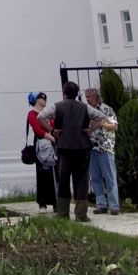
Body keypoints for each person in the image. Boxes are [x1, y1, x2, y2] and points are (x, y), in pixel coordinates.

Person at [51, 80, 92, 221]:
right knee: (81, 180)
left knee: (63, 180)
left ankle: (63, 213)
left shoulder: (58, 106)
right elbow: (102, 117)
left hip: (64, 147)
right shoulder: (85, 107)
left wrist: (53, 130)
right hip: (82, 147)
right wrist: (90, 129)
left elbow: (41, 116)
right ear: (77, 93)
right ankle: (81, 214)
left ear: (64, 93)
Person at [85, 87, 119, 214]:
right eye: (86, 97)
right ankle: (101, 204)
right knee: (95, 177)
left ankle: (114, 205)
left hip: (105, 147)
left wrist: (101, 124)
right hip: (92, 147)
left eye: (90, 96)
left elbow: (115, 127)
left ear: (96, 96)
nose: (87, 99)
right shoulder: (87, 111)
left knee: (109, 176)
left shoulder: (106, 109)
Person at [26, 91, 57, 209]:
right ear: (37, 100)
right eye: (41, 98)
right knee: (43, 171)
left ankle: (55, 201)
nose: (44, 100)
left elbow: (54, 125)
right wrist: (53, 138)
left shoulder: (48, 113)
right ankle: (43, 202)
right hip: (42, 143)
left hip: (52, 142)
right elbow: (38, 130)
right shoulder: (32, 114)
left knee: (55, 172)